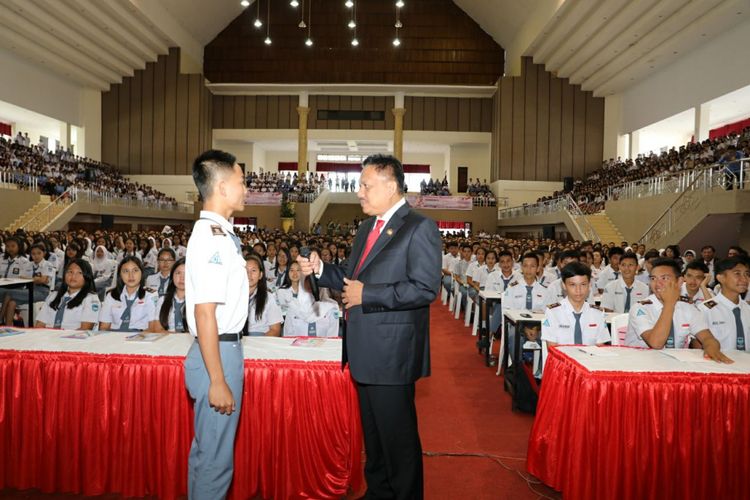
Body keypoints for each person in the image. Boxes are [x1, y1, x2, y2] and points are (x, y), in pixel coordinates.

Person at [298, 154, 441, 499]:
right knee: (374, 438)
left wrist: (369, 294)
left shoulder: (419, 227)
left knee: (398, 442)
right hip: (364, 350)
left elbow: (426, 288)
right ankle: (379, 492)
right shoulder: (366, 228)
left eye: (365, 185)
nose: (358, 192)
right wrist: (320, 270)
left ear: (391, 187)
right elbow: (352, 278)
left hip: (392, 354)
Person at [184, 150, 249, 499]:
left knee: (207, 452)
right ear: (222, 187)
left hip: (219, 349)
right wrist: (218, 379)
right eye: (240, 182)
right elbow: (205, 313)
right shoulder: (212, 238)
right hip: (218, 353)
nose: (245, 188)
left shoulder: (220, 234)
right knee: (216, 460)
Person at [625, 258, 731, 362]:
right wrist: (669, 303)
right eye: (653, 278)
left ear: (679, 281)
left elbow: (708, 338)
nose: (657, 284)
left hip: (677, 366)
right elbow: (656, 343)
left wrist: (711, 347)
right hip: (642, 365)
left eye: (664, 278)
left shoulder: (688, 308)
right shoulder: (641, 308)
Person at [542, 262, 610, 347]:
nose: (578, 290)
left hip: (590, 359)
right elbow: (553, 349)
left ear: (589, 285)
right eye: (572, 285)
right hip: (563, 359)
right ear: (564, 285)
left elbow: (600, 347)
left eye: (583, 284)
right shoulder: (553, 312)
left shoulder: (597, 313)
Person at [697, 257, 749, 352]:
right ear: (721, 278)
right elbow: (697, 344)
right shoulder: (706, 309)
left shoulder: (748, 309)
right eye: (737, 273)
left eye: (747, 274)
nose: (745, 279)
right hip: (718, 364)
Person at [35, 259, 100, 330]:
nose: (73, 276)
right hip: (48, 338)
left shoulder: (91, 299)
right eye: (70, 272)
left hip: (73, 339)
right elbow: (40, 324)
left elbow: (85, 329)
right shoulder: (53, 295)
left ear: (87, 276)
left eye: (79, 273)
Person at [99, 256, 159, 332]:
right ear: (120, 275)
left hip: (140, 337)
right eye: (126, 271)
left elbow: (152, 327)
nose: (131, 275)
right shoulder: (111, 295)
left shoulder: (150, 295)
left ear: (142, 273)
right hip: (114, 337)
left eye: (135, 270)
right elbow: (104, 327)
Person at [1, 243, 56, 325]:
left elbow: (43, 280)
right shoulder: (29, 264)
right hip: (28, 290)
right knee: (12, 302)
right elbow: (21, 277)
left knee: (9, 293)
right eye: (33, 254)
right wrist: (35, 279)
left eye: (39, 253)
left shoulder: (48, 264)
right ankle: (8, 327)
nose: (36, 256)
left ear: (44, 253)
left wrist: (31, 279)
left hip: (42, 292)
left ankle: (0, 319)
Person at [244, 254, 282, 336]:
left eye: (253, 270)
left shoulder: (268, 298)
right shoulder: (231, 297)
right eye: (245, 270)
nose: (249, 275)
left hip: (261, 340)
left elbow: (275, 330)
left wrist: (257, 345)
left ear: (260, 275)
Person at [152, 258, 186, 333]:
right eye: (178, 273)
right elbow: (157, 328)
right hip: (168, 341)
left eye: (186, 274)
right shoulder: (162, 300)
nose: (182, 278)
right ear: (172, 275)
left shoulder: (198, 301)